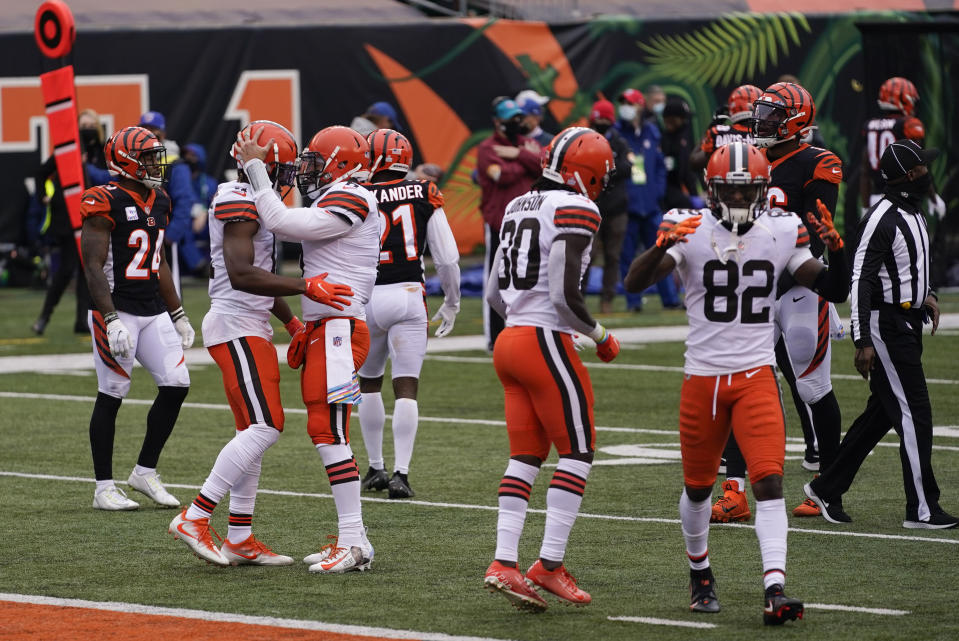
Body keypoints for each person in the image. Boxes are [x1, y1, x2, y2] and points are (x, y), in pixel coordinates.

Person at [624, 141, 849, 625]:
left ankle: (775, 586)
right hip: (702, 378)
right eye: (732, 190)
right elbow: (634, 283)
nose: (741, 201)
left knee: (769, 479)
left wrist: (838, 249)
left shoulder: (782, 230)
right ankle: (699, 571)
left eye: (749, 191)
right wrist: (662, 244)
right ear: (711, 189)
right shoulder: (690, 227)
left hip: (755, 375)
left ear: (764, 191)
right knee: (699, 489)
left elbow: (830, 287)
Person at [168, 121, 355, 566]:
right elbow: (242, 274)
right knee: (266, 426)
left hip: (248, 323)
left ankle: (239, 537)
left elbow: (261, 280)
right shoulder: (237, 197)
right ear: (269, 164)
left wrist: (291, 324)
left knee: (251, 430)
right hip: (235, 325)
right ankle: (195, 516)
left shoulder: (254, 199)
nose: (291, 176)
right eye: (286, 167)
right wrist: (306, 287)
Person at [483, 127, 621, 612]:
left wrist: (526, 323)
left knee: (525, 456)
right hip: (543, 338)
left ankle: (503, 563)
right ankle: (549, 564)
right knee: (578, 452)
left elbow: (493, 293)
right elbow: (564, 297)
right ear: (584, 174)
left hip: (510, 339)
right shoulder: (577, 207)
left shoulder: (519, 202)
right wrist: (600, 336)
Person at [236, 124, 379, 573]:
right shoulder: (340, 195)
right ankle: (354, 538)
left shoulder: (355, 195)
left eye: (316, 162)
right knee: (326, 428)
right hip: (327, 326)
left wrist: (256, 167)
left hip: (340, 327)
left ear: (340, 162)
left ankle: (354, 542)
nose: (308, 172)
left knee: (328, 430)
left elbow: (281, 221)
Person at [805, 140, 957, 530]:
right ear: (908, 176)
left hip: (907, 322)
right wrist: (862, 340)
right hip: (885, 327)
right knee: (914, 412)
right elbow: (861, 280)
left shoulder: (912, 210)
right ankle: (922, 509)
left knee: (882, 414)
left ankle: (826, 487)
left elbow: (913, 265)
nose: (927, 172)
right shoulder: (882, 217)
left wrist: (928, 295)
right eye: (921, 168)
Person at [712, 82, 846, 522]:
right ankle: (733, 489)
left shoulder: (818, 162)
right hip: (753, 285)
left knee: (811, 388)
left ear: (796, 122)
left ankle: (829, 486)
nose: (762, 121)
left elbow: (816, 234)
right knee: (738, 382)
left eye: (772, 115)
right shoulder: (747, 157)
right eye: (762, 112)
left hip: (798, 284)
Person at [80, 125, 195, 511]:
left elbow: (158, 259)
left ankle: (144, 472)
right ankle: (103, 488)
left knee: (177, 384)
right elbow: (93, 266)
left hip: (152, 309)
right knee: (111, 393)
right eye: (147, 156)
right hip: (117, 310)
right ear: (126, 161)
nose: (155, 164)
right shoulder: (103, 200)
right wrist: (110, 318)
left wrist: (177, 312)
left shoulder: (160, 199)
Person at [357, 129, 461, 499]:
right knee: (406, 388)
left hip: (367, 296)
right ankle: (401, 474)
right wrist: (452, 301)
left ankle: (375, 467)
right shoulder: (423, 191)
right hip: (408, 295)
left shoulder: (357, 193)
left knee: (368, 382)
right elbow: (447, 257)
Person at [31, 109, 109, 335]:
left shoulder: (102, 152)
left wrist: (87, 167)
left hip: (93, 217)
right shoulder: (67, 151)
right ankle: (44, 316)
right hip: (68, 217)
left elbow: (108, 178)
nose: (86, 129)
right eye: (81, 125)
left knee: (90, 268)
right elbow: (41, 173)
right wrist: (44, 197)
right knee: (66, 269)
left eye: (89, 125)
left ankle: (82, 320)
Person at [477, 97, 542, 352]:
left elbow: (544, 167)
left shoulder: (527, 144)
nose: (516, 122)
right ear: (497, 122)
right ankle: (494, 338)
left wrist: (518, 155)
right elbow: (501, 176)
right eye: (510, 119)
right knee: (496, 283)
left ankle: (527, 333)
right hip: (498, 223)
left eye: (518, 117)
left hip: (528, 223)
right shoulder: (487, 148)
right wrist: (526, 163)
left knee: (529, 279)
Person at [614, 88, 673, 312]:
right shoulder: (617, 133)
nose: (625, 108)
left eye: (629, 103)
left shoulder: (651, 132)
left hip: (650, 204)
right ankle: (633, 301)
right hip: (628, 206)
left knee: (661, 252)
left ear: (639, 106)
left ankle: (670, 299)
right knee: (627, 255)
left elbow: (659, 167)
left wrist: (658, 191)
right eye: (623, 104)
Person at [141, 111, 207, 283]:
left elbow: (184, 201)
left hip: (164, 234)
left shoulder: (174, 162)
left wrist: (171, 237)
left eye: (154, 129)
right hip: (140, 233)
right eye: (145, 128)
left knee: (168, 290)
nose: (149, 133)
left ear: (163, 133)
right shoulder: (134, 157)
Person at [585, 99, 631, 313]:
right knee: (587, 254)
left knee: (613, 256)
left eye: (605, 118)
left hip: (616, 208)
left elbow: (628, 167)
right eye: (599, 117)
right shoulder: (585, 140)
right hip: (590, 206)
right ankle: (578, 297)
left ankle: (607, 300)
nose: (602, 121)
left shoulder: (620, 142)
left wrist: (604, 168)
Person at [689, 84, 761, 171]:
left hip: (722, 183)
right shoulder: (765, 135)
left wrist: (712, 127)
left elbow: (695, 162)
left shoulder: (718, 132)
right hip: (756, 182)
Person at [661, 97, 700, 212]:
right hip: (667, 201)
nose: (685, 122)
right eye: (682, 118)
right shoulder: (663, 142)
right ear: (671, 119)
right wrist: (687, 199)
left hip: (680, 195)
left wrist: (694, 195)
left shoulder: (683, 139)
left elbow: (687, 173)